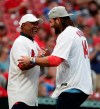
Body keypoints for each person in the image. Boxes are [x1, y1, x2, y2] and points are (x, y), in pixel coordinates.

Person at [18, 6, 93, 109]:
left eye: (51, 22)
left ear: (58, 19)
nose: (51, 26)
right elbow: (66, 58)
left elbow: (55, 61)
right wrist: (46, 57)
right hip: (82, 85)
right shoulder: (77, 32)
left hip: (72, 86)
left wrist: (31, 59)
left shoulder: (66, 34)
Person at [7, 14, 43, 109]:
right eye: (32, 23)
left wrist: (41, 56)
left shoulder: (34, 43)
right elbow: (22, 65)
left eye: (36, 23)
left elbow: (39, 59)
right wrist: (37, 59)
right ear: (23, 26)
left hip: (30, 97)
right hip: (20, 97)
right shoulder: (20, 42)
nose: (36, 26)